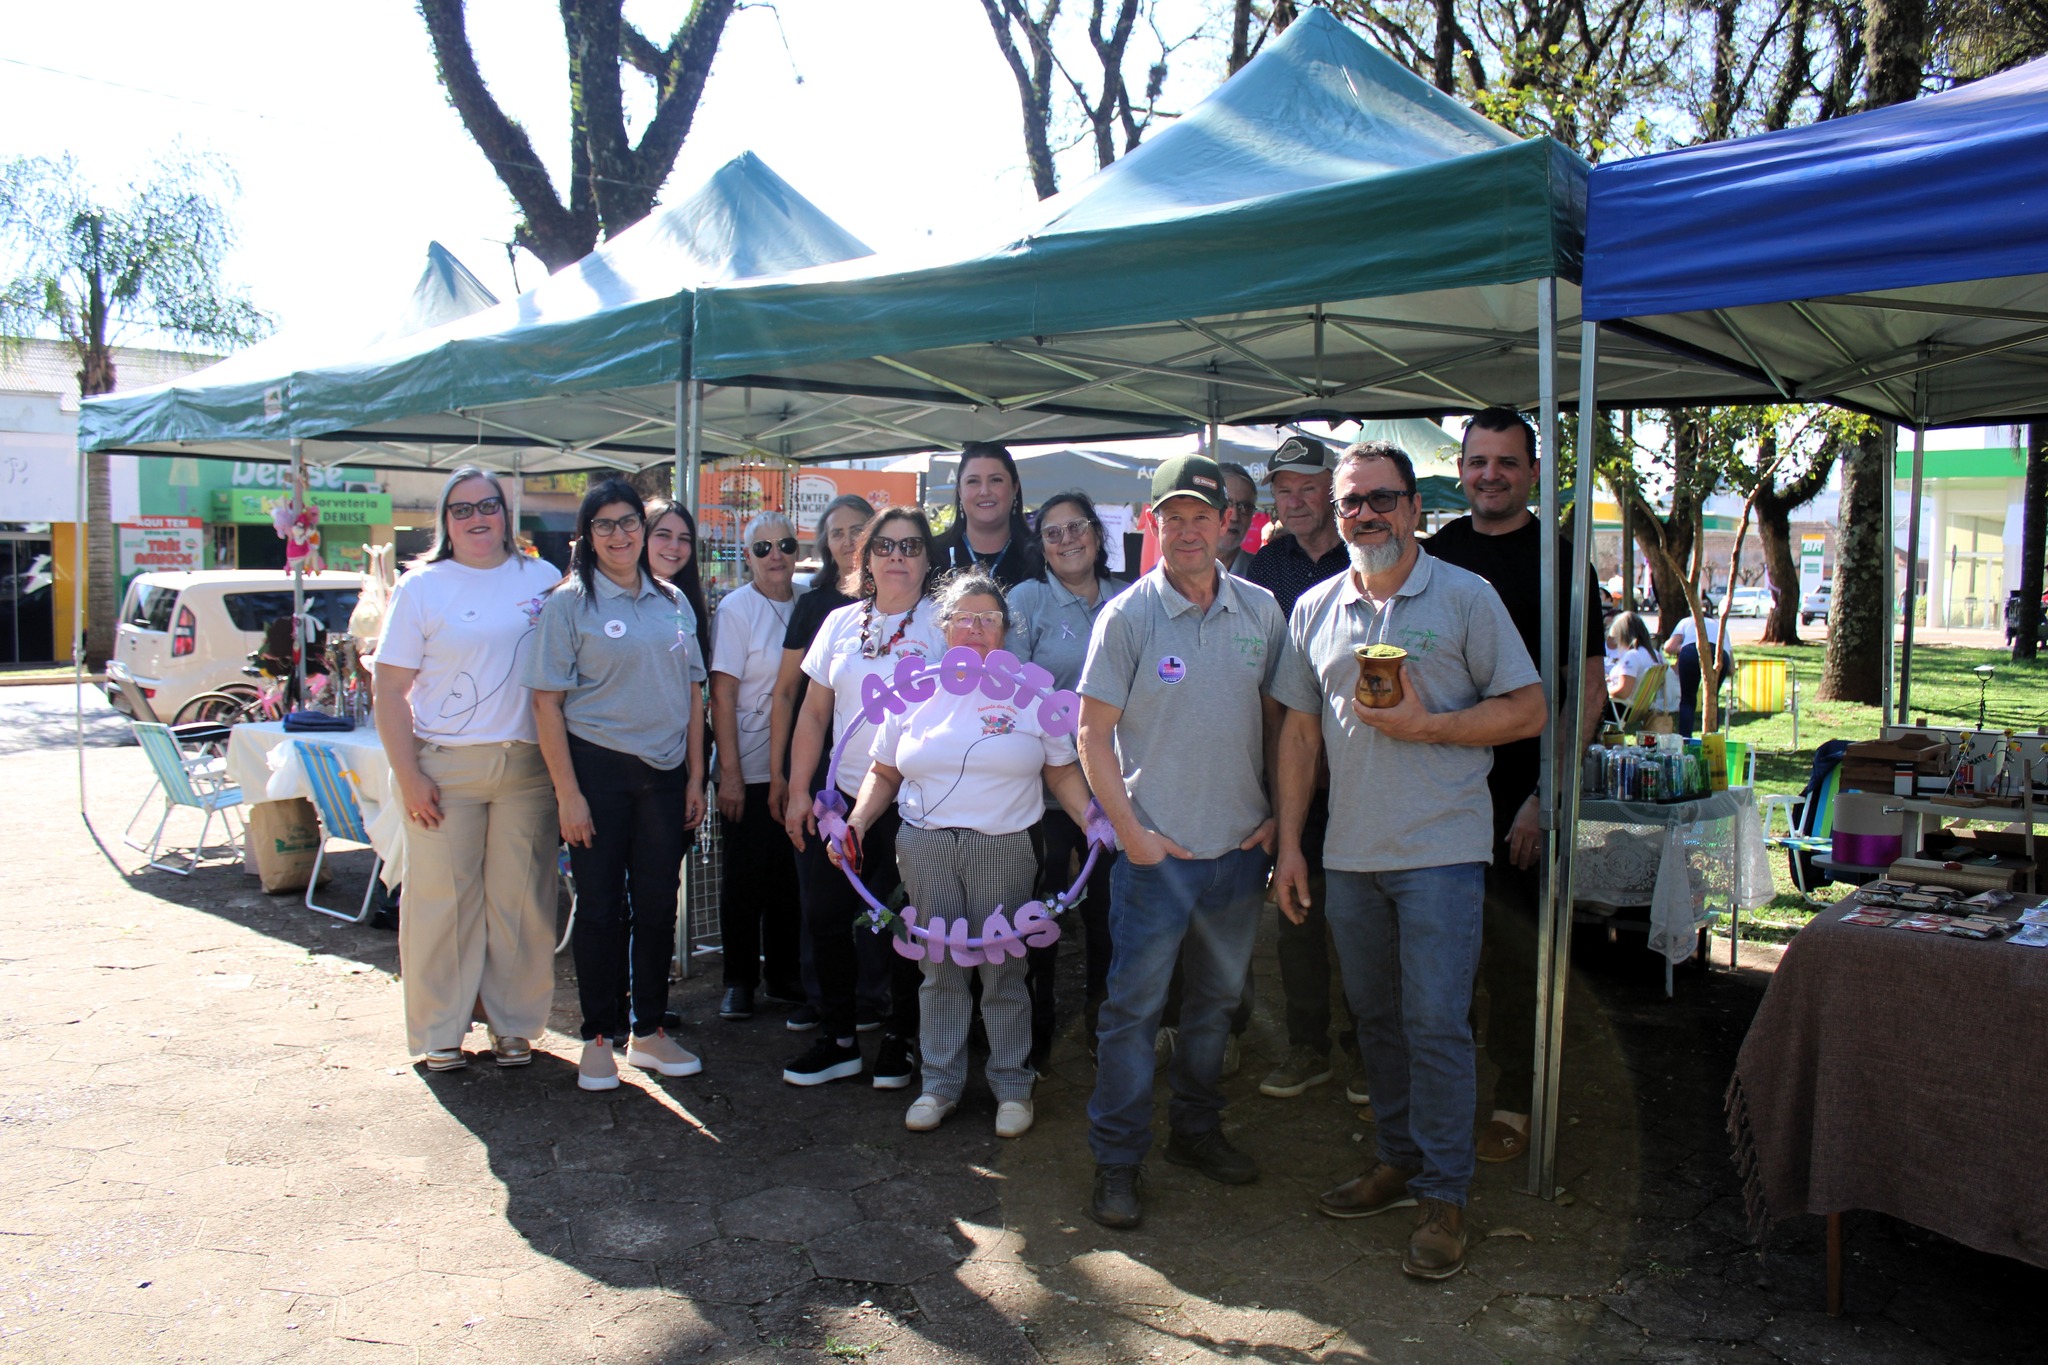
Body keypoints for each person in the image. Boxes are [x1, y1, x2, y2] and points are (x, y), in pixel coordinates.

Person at [1270, 439, 1546, 1281]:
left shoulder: (1466, 595)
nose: (1365, 514)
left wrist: (1432, 726)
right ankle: (1396, 1161)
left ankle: (1443, 1194)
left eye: (1381, 498)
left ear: (1416, 506)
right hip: (1351, 852)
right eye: (1351, 501)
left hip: (1441, 850)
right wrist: (1290, 843)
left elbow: (1528, 708)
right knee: (1375, 1021)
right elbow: (1300, 734)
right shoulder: (1315, 607)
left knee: (1436, 1023)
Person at [1079, 454, 1288, 1231]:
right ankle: (1118, 1158)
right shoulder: (1127, 616)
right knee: (1133, 1013)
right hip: (1156, 861)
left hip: (1238, 853)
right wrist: (1132, 836)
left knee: (1213, 1009)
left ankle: (1195, 1131)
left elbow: (1281, 724)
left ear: (1228, 522)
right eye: (1175, 517)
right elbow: (1090, 735)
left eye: (1203, 515)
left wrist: (1276, 817)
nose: (1190, 529)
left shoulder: (1261, 609)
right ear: (1153, 524)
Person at [835, 571, 1098, 1137]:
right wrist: (855, 823)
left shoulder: (1029, 695)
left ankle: (1011, 1085)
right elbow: (883, 772)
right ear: (944, 626)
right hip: (924, 846)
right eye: (964, 618)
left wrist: (1091, 820)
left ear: (1004, 630)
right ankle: (939, 1085)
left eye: (988, 619)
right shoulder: (915, 691)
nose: (975, 629)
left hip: (1005, 845)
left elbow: (1061, 771)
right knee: (939, 969)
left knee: (1004, 968)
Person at [1423, 406, 1607, 1169]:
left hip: (1522, 800)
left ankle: (1515, 1097)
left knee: (1514, 954)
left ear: (1533, 472)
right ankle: (1442, 1096)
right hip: (1440, 792)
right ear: (1461, 470)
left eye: (1505, 462)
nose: (1490, 475)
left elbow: (1587, 690)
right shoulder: (1435, 554)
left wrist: (1545, 794)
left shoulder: (1562, 564)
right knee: (1441, 953)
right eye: (1478, 461)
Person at [374, 467, 560, 1072]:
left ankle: (515, 1028)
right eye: (462, 509)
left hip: (527, 769)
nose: (477, 518)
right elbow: (389, 690)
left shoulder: (544, 579)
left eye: (488, 505)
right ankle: (440, 1032)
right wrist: (409, 777)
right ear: (445, 522)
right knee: (441, 905)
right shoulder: (421, 587)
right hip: (444, 770)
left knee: (523, 905)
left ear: (506, 513)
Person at [527, 478, 708, 1092]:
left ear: (641, 526)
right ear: (586, 535)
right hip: (596, 772)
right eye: (604, 524)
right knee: (602, 907)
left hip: (665, 776)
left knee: (657, 906)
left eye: (629, 521)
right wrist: (568, 794)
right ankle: (598, 1037)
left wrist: (695, 776)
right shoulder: (567, 604)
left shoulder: (672, 601)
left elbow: (693, 693)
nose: (619, 534)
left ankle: (648, 1032)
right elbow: (546, 704)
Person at [783, 506, 947, 1088]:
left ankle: (901, 1038)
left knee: (907, 922)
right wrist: (798, 790)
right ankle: (839, 1039)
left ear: (927, 559)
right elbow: (813, 713)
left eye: (910, 546)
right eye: (885, 546)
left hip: (918, 804)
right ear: (867, 557)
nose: (897, 556)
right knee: (826, 916)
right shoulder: (838, 623)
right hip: (844, 799)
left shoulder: (945, 626)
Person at [1241, 434, 1360, 1104]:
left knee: (1366, 916)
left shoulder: (1363, 551)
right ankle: (1307, 1045)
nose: (1294, 499)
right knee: (1298, 911)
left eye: (1307, 487)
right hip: (1291, 768)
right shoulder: (1265, 565)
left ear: (1331, 490)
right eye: (1283, 490)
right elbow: (1259, 680)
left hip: (1362, 767)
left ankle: (1367, 1048)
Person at [1005, 491, 1127, 1068]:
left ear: (1097, 534)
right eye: (1052, 533)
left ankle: (1107, 1026)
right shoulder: (1026, 600)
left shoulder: (1129, 598)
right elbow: (1011, 692)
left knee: (1109, 913)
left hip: (1117, 786)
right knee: (1042, 913)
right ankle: (1035, 1032)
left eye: (1076, 527)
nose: (1067, 540)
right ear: (1042, 547)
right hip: (1046, 791)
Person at [768, 494, 873, 1033]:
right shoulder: (815, 608)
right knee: (820, 890)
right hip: (821, 770)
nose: (849, 541)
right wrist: (784, 776)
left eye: (859, 530)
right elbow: (788, 693)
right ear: (825, 544)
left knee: (876, 888)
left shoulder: (901, 600)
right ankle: (821, 997)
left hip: (881, 772)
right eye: (837, 532)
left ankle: (873, 999)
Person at [710, 510, 805, 1022]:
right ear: (748, 556)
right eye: (763, 548)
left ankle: (784, 975)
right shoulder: (736, 609)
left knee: (789, 878)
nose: (775, 556)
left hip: (796, 765)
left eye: (784, 545)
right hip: (745, 766)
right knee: (744, 881)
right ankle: (739, 980)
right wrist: (730, 774)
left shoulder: (809, 601)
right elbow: (721, 695)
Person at [930, 442, 1043, 589]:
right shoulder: (933, 555)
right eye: (973, 481)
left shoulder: (1040, 555)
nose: (984, 491)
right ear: (959, 491)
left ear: (1014, 488)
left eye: (995, 480)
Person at [644, 497, 710, 644]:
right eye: (663, 535)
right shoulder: (620, 599)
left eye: (684, 539)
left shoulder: (689, 603)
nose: (674, 546)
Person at [1663, 610, 1731, 736]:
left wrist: (1681, 648)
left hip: (1691, 650)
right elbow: (1731, 669)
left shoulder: (1686, 621)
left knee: (1687, 699)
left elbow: (1669, 647)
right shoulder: (1720, 627)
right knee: (1713, 698)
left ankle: (1685, 738)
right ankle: (1712, 738)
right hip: (1719, 653)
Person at [1607, 612, 1678, 717]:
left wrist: (1606, 689)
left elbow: (1623, 692)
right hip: (1641, 707)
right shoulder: (1655, 654)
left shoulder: (1632, 656)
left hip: (1623, 709)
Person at [1214, 461, 1260, 574]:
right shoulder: (1177, 569)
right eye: (1226, 504)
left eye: (1245, 507)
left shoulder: (1262, 573)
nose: (1234, 517)